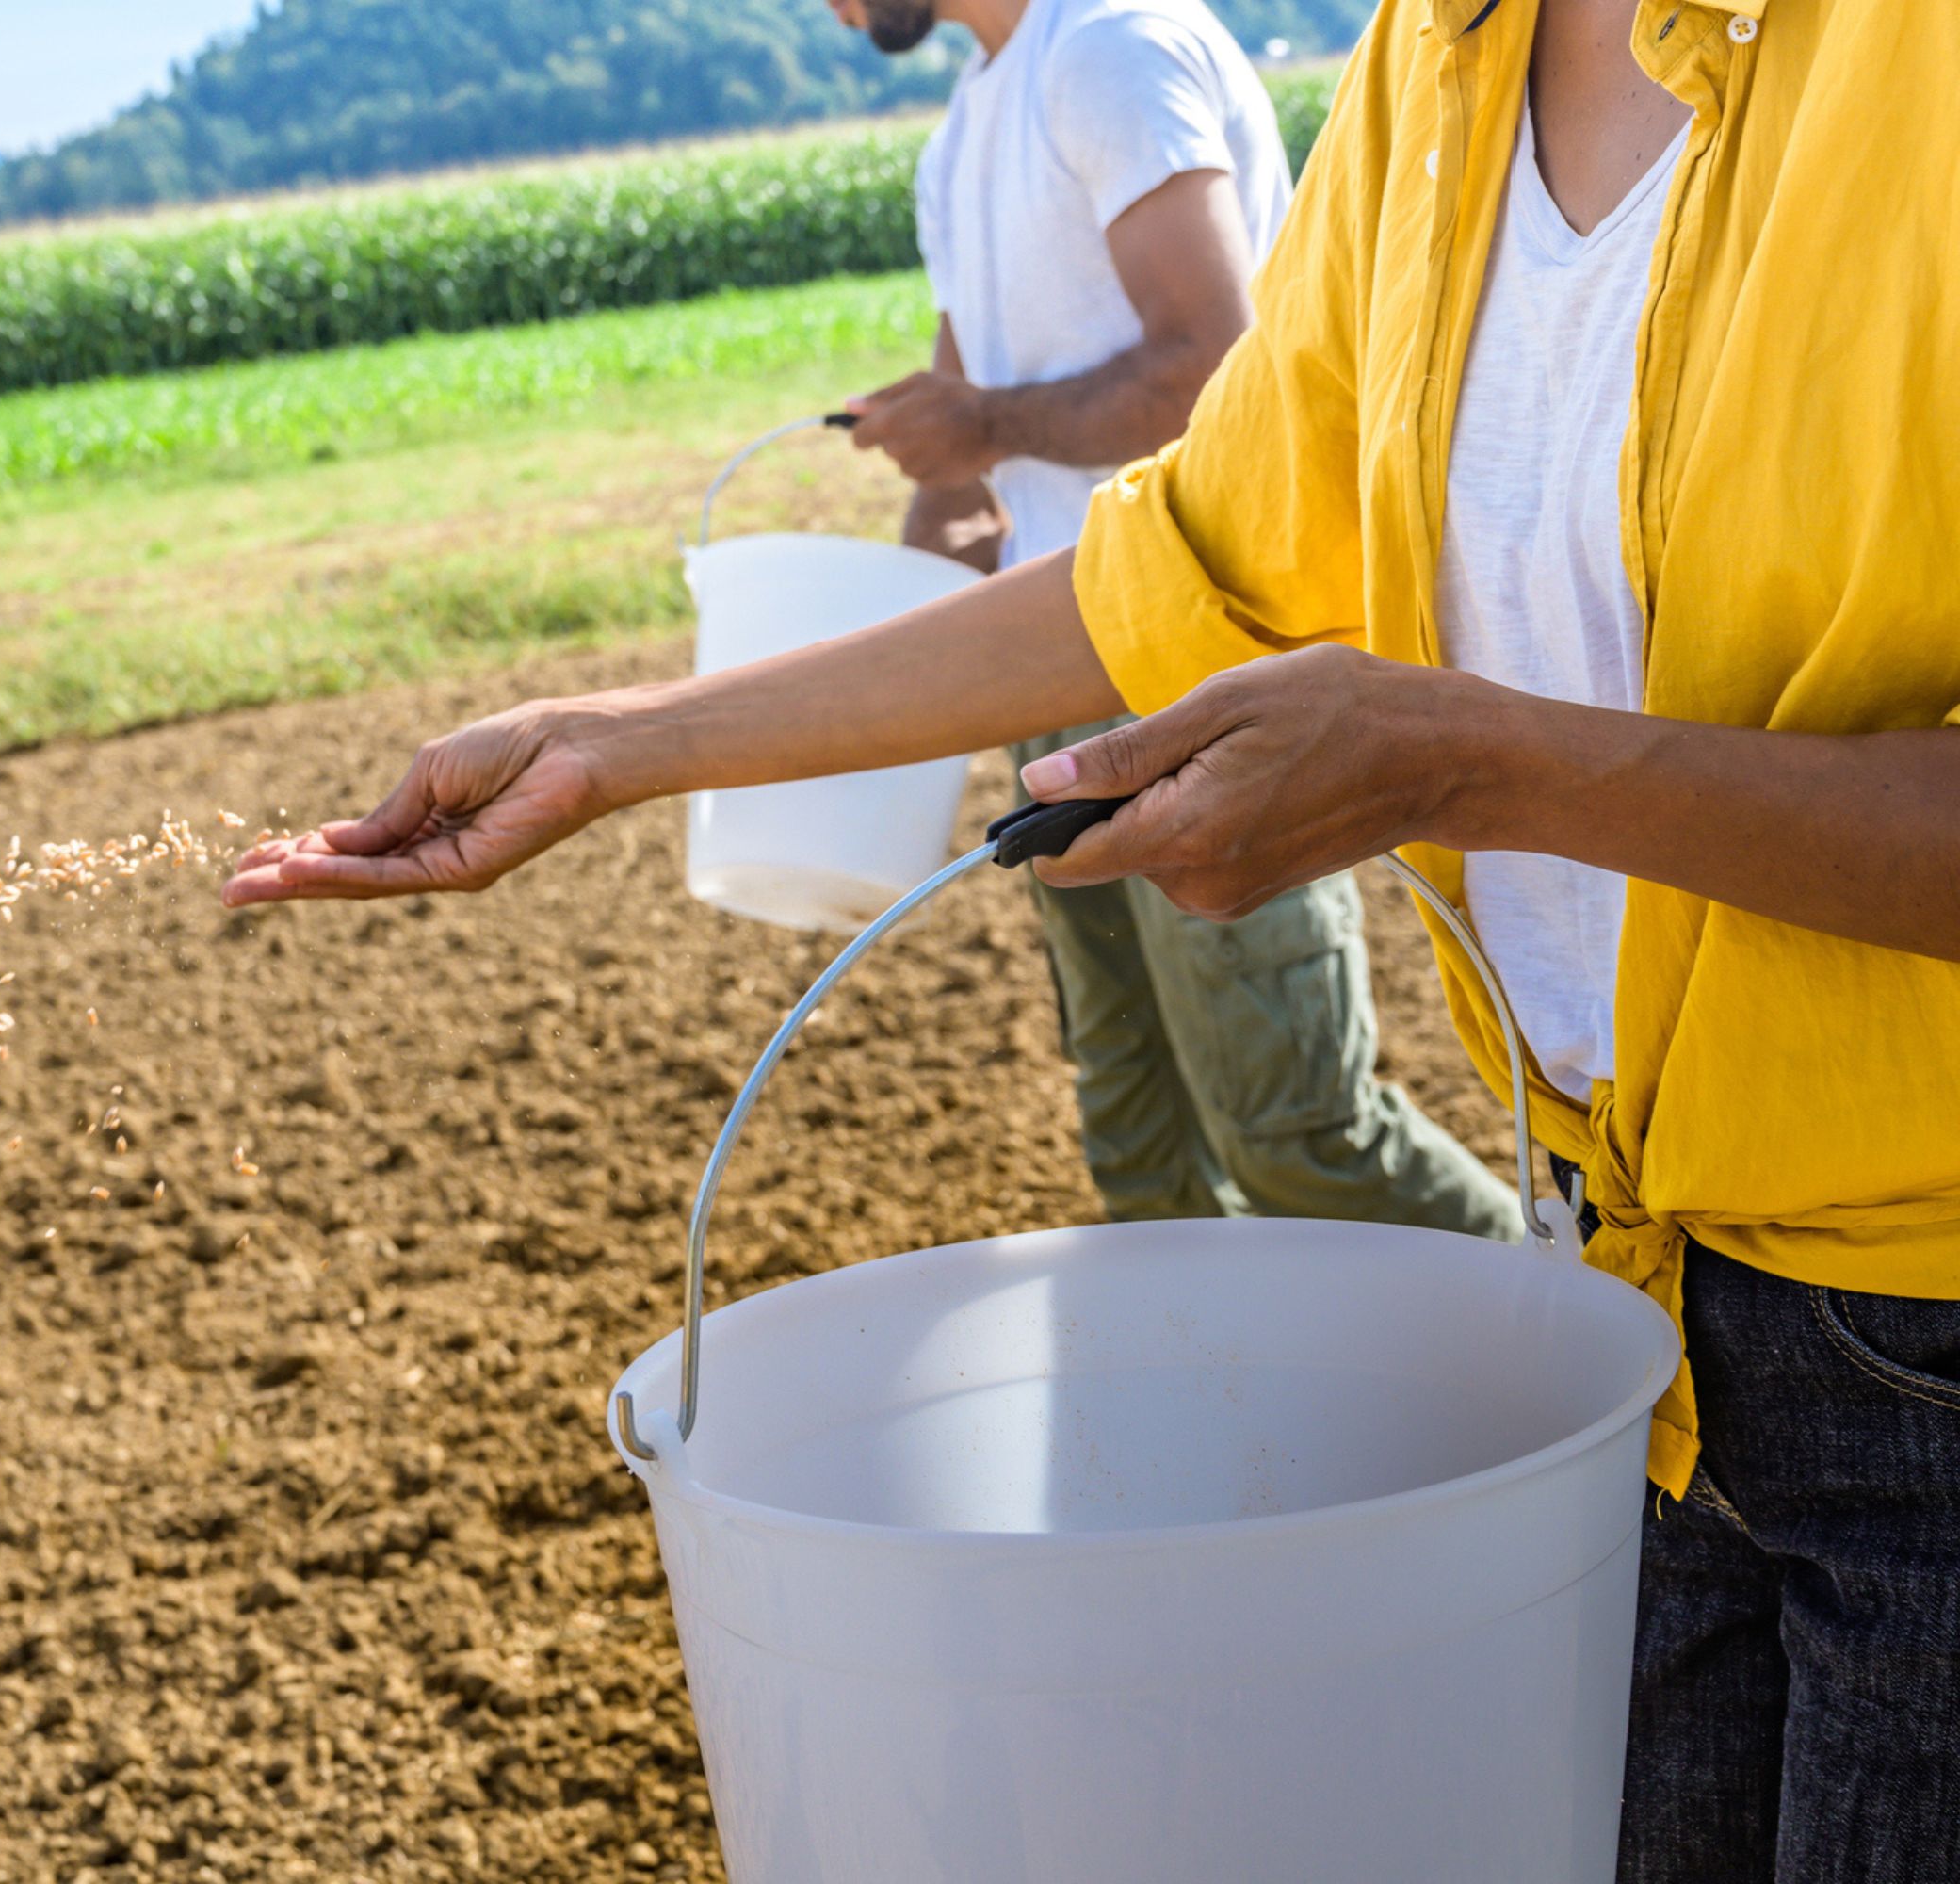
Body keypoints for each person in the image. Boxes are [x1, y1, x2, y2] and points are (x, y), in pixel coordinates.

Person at [225, 0, 1960, 1874]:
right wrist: (616, 746)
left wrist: (1461, 765)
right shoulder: (1438, 59)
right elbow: (1192, 561)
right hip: (1651, 1318)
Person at [833, 0, 1521, 1237]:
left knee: (1299, 1136)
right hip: (1057, 673)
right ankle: (1221, 1418)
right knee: (1137, 1133)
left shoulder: (1110, 51)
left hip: (1196, 656)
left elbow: (1213, 364)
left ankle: (1577, 1352)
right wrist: (878, 659)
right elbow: (959, 468)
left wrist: (983, 424)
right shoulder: (962, 135)